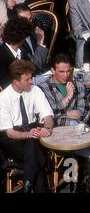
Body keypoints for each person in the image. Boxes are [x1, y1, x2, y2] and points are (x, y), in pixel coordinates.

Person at [38, 54, 90, 193]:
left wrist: (64, 114)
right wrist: (67, 98)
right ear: (53, 70)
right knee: (84, 131)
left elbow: (84, 112)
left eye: (68, 71)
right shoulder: (44, 88)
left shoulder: (78, 84)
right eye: (61, 71)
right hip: (57, 136)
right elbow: (49, 116)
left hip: (78, 133)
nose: (66, 75)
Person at [0, 60, 54, 193]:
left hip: (33, 130)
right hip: (13, 137)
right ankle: (33, 183)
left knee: (32, 144)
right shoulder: (3, 98)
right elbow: (10, 132)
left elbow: (47, 116)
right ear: (15, 82)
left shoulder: (35, 90)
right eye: (27, 79)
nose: (31, 81)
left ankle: (28, 184)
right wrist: (28, 134)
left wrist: (47, 128)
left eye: (31, 78)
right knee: (36, 151)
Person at [11, 4, 48, 73]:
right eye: (24, 20)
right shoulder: (14, 41)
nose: (28, 23)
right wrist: (40, 43)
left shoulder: (35, 31)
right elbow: (33, 68)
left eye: (30, 19)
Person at [0, 16, 35, 88]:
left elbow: (33, 72)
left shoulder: (23, 52)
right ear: (23, 38)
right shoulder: (1, 55)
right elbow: (6, 84)